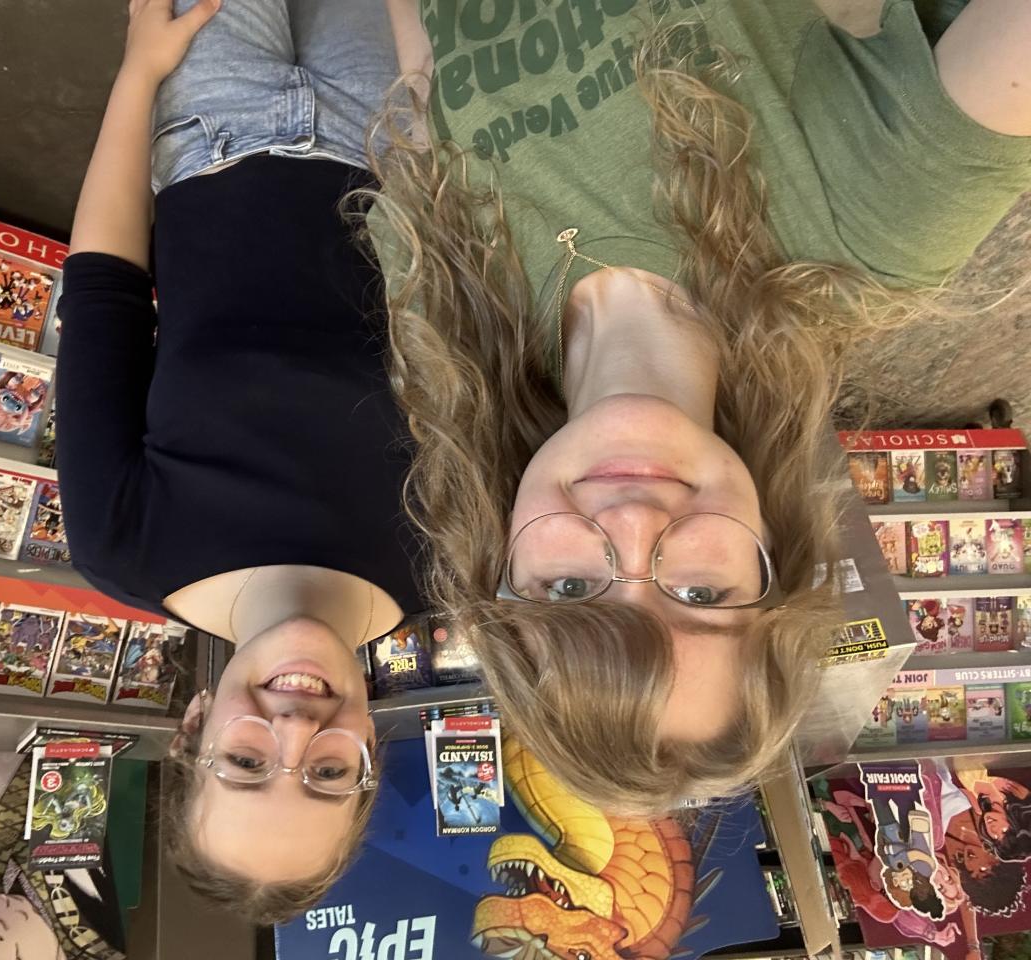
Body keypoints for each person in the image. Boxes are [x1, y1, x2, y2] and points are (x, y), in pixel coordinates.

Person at [369, 0, 1031, 813]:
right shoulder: (865, 230)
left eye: (571, 588)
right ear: (775, 556)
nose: (634, 525)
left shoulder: (451, 320)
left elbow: (424, 77)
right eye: (703, 597)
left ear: (500, 571)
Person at [56, 0, 415, 922]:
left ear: (192, 728)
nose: (294, 731)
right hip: (386, 139)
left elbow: (105, 291)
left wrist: (139, 74)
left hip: (209, 127)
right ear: (369, 755)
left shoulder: (124, 545)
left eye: (248, 764)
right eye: (327, 775)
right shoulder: (445, 556)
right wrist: (425, 89)